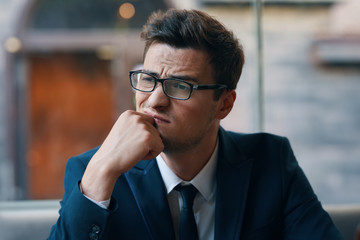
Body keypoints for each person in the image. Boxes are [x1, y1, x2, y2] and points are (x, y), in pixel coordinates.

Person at [48, 9, 342, 240]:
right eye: (148, 80)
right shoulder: (93, 171)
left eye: (179, 86)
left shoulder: (271, 160)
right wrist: (102, 171)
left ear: (224, 104)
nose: (154, 101)